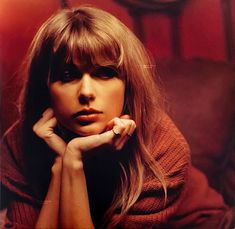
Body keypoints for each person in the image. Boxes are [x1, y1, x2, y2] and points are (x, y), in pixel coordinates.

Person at [0, 6, 234, 229]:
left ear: (128, 84)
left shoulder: (162, 147)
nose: (86, 93)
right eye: (68, 75)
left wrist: (72, 158)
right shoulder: (18, 144)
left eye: (105, 73)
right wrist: (67, 163)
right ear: (46, 86)